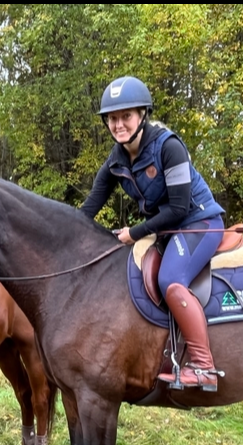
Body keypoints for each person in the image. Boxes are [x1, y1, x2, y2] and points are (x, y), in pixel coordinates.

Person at [80, 76, 226, 391]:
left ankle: (204, 367)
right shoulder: (115, 159)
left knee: (170, 281)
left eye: (126, 117)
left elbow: (178, 208)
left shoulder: (168, 147)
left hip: (198, 223)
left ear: (142, 115)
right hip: (166, 230)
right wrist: (65, 233)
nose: (118, 125)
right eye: (112, 118)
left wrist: (133, 232)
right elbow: (90, 207)